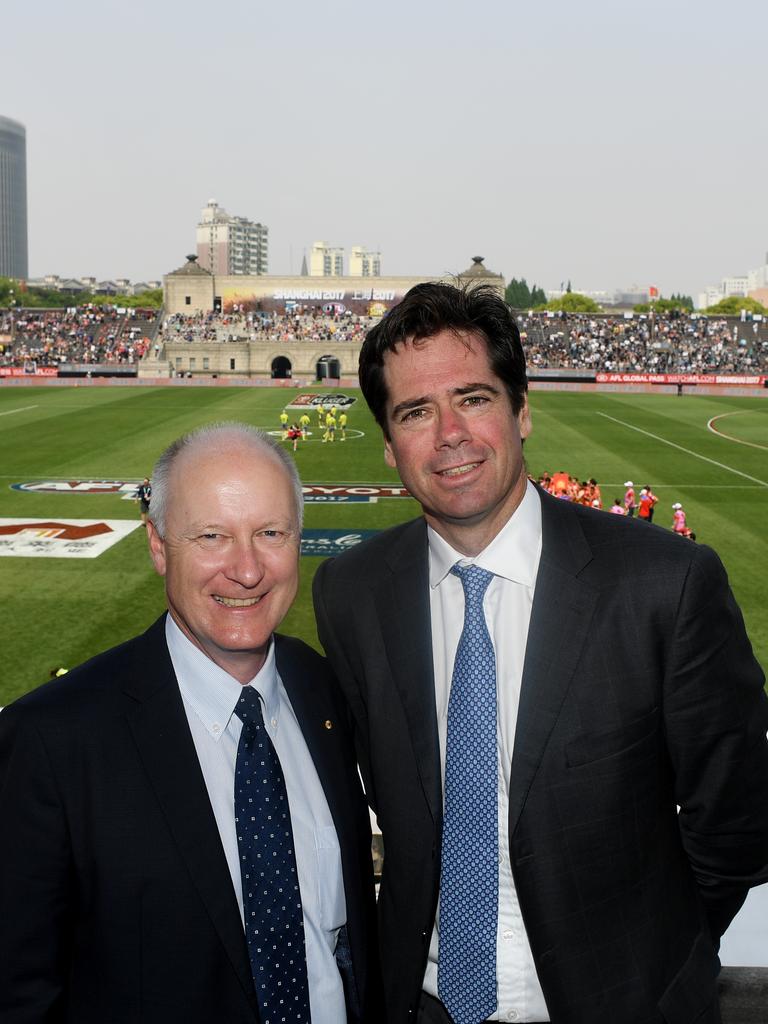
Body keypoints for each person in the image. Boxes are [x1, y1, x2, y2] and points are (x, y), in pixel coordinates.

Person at [312, 283, 768, 1024]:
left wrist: (638, 964)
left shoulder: (665, 583)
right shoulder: (351, 593)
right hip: (417, 1005)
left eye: (474, 397)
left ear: (522, 410)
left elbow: (735, 828)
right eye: (416, 412)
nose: (449, 432)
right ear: (391, 444)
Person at [0, 423, 380, 1024]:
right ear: (157, 546)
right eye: (212, 536)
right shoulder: (49, 743)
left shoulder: (324, 689)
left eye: (271, 533)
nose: (247, 570)